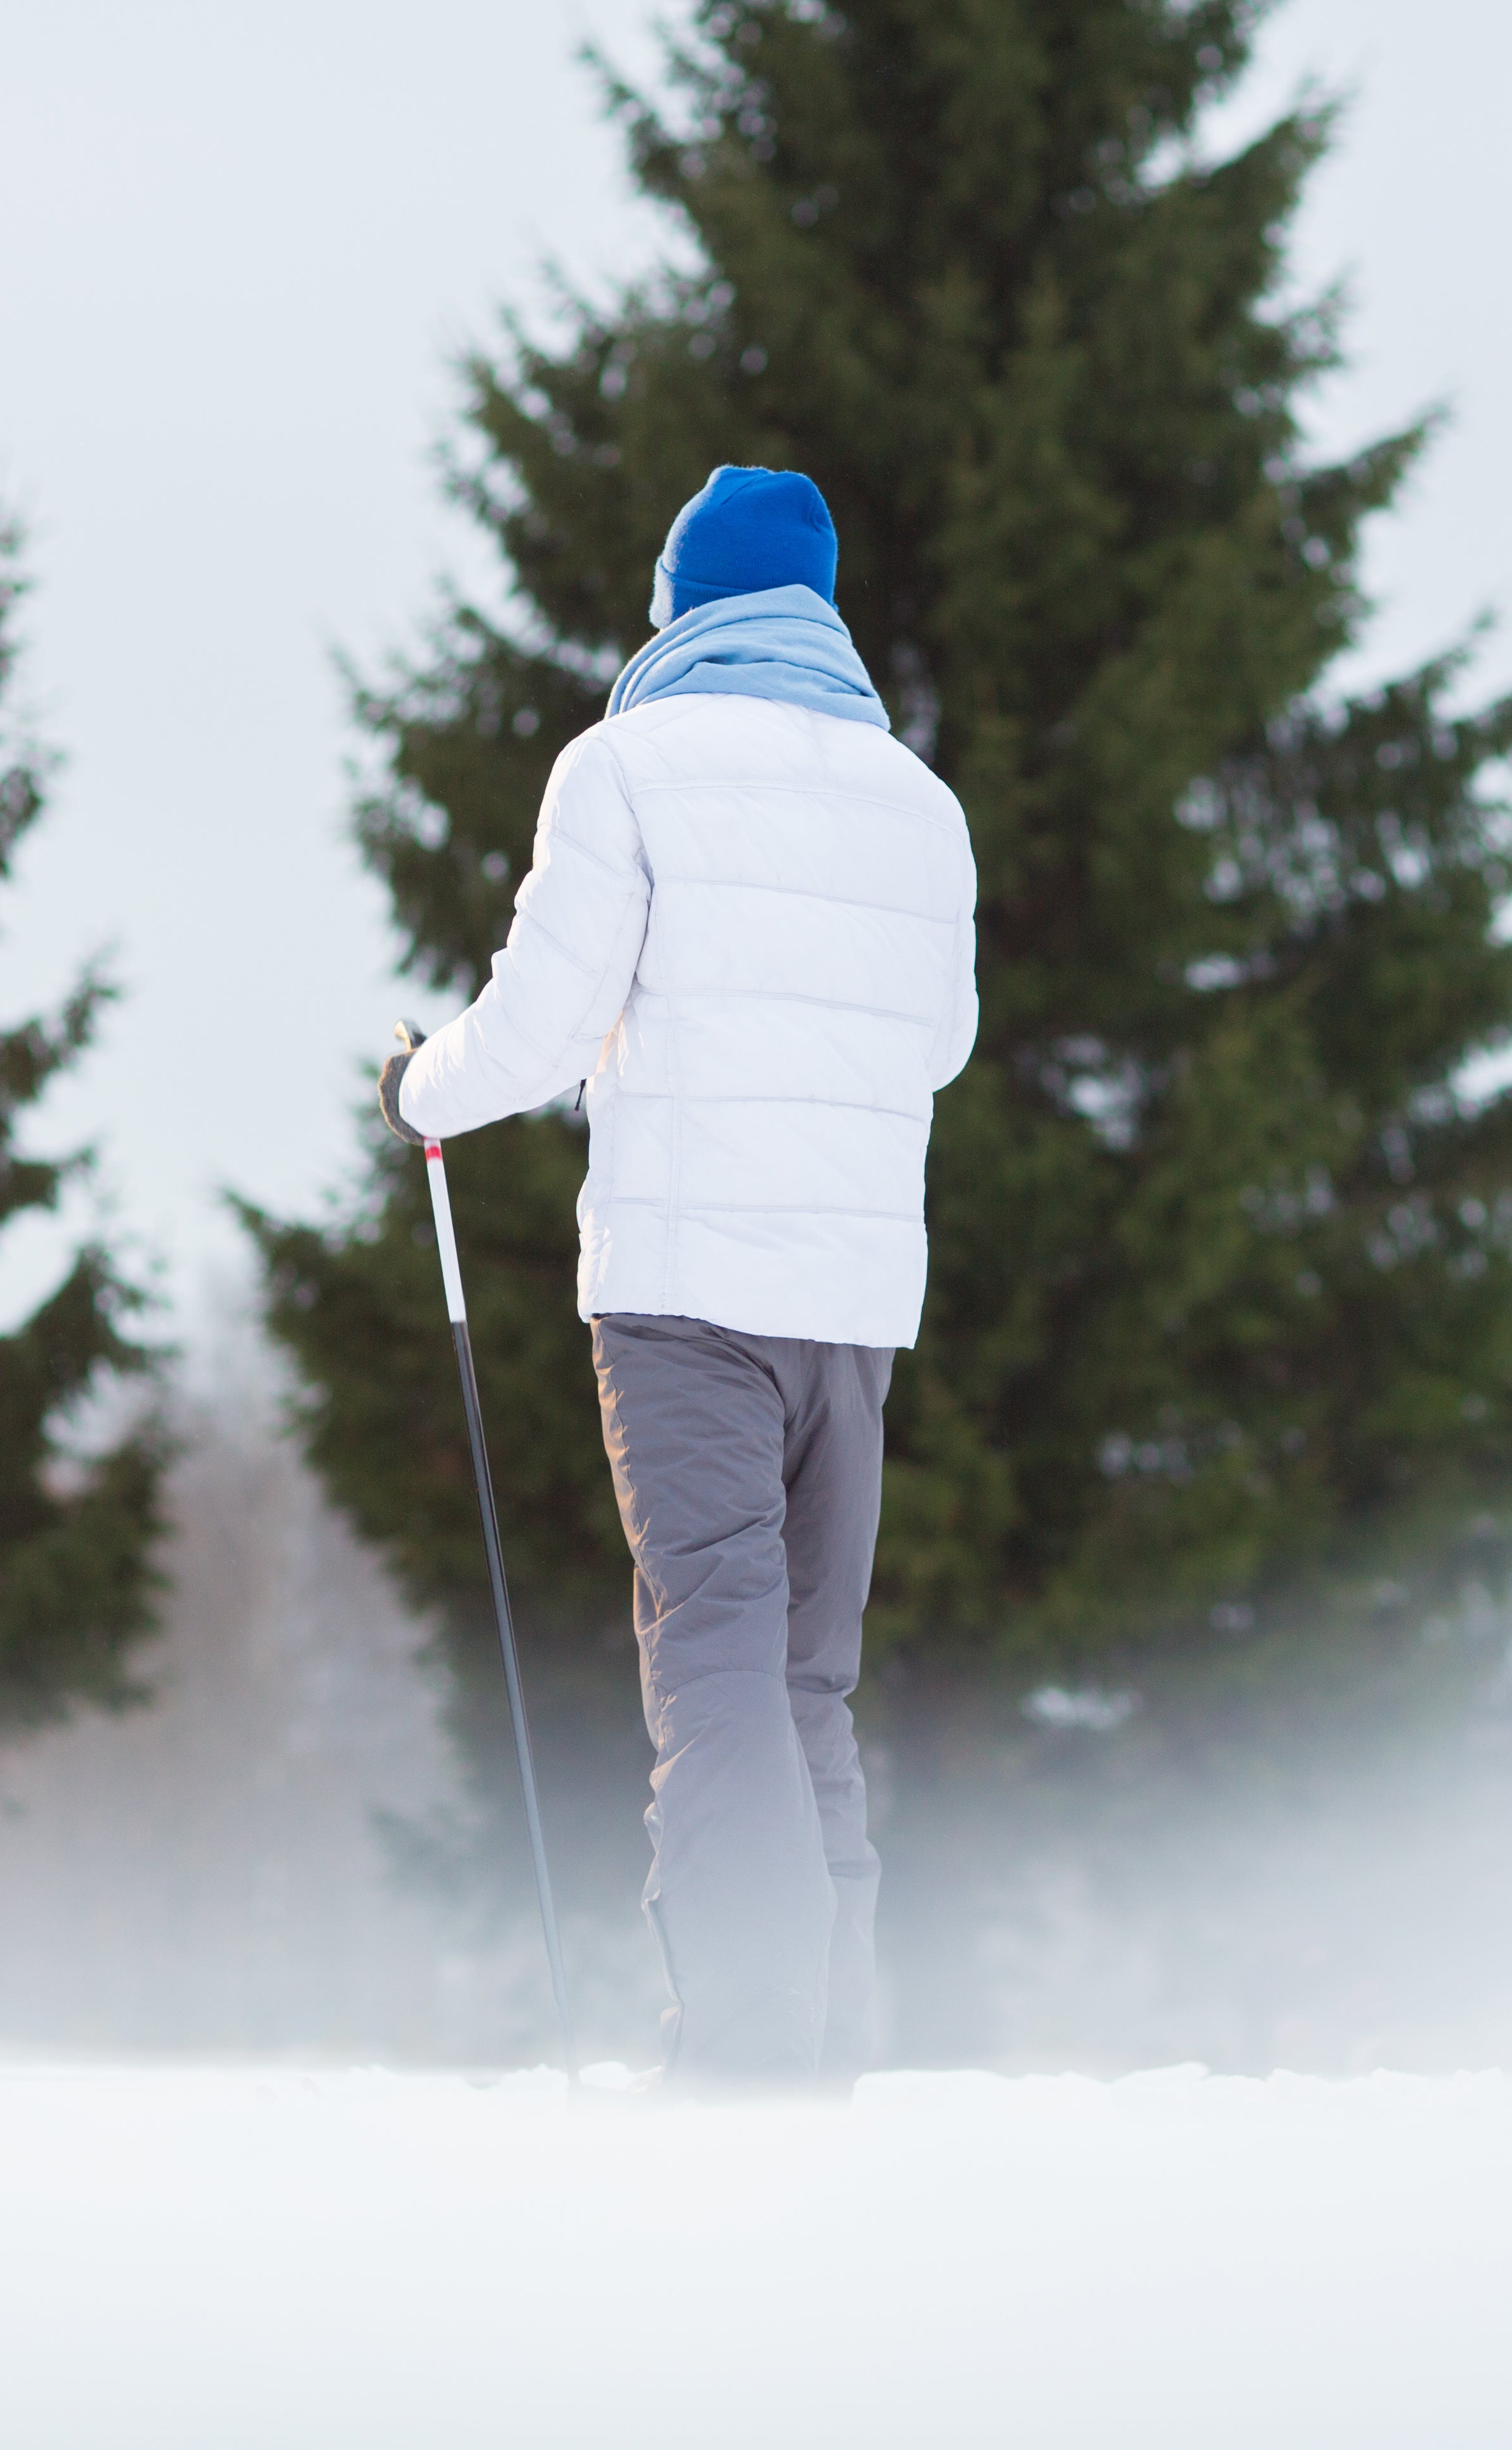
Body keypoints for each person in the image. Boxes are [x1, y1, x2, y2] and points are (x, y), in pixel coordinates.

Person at [382, 466, 979, 2088]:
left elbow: (545, 1015)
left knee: (714, 1664)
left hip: (687, 1298)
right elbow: (941, 1044)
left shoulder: (626, 765)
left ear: (681, 605)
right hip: (853, 1310)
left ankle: (744, 2055)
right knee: (806, 1685)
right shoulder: (922, 805)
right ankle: (821, 2041)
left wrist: (418, 1087)